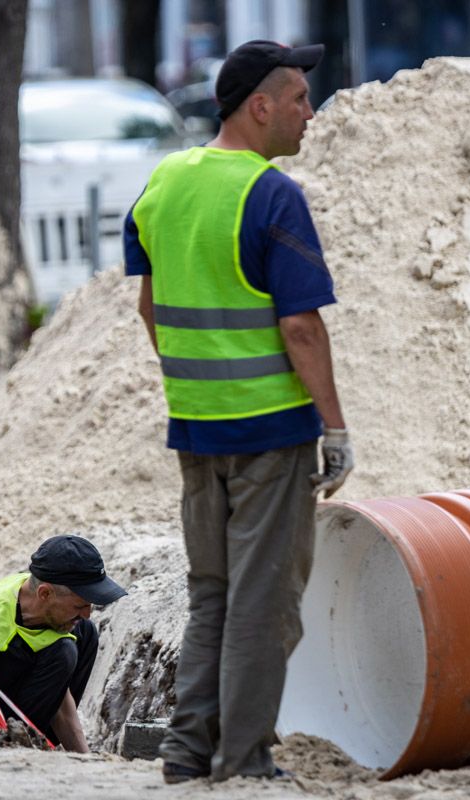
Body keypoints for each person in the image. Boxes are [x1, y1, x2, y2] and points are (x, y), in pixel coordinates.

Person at [122, 40, 354, 783]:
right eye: (298, 99)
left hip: (197, 429)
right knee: (264, 604)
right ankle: (245, 757)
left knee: (212, 598)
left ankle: (188, 752)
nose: (308, 113)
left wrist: (202, 382)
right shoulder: (271, 194)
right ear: (260, 106)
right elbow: (300, 326)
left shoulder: (165, 182)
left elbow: (149, 304)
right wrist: (335, 428)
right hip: (271, 430)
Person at [0, 534, 126, 752]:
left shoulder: (32, 596)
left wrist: (86, 760)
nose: (87, 613)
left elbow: (61, 704)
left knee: (84, 633)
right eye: (79, 606)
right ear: (44, 593)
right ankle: (17, 745)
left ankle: (36, 741)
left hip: (7, 683)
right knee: (63, 651)